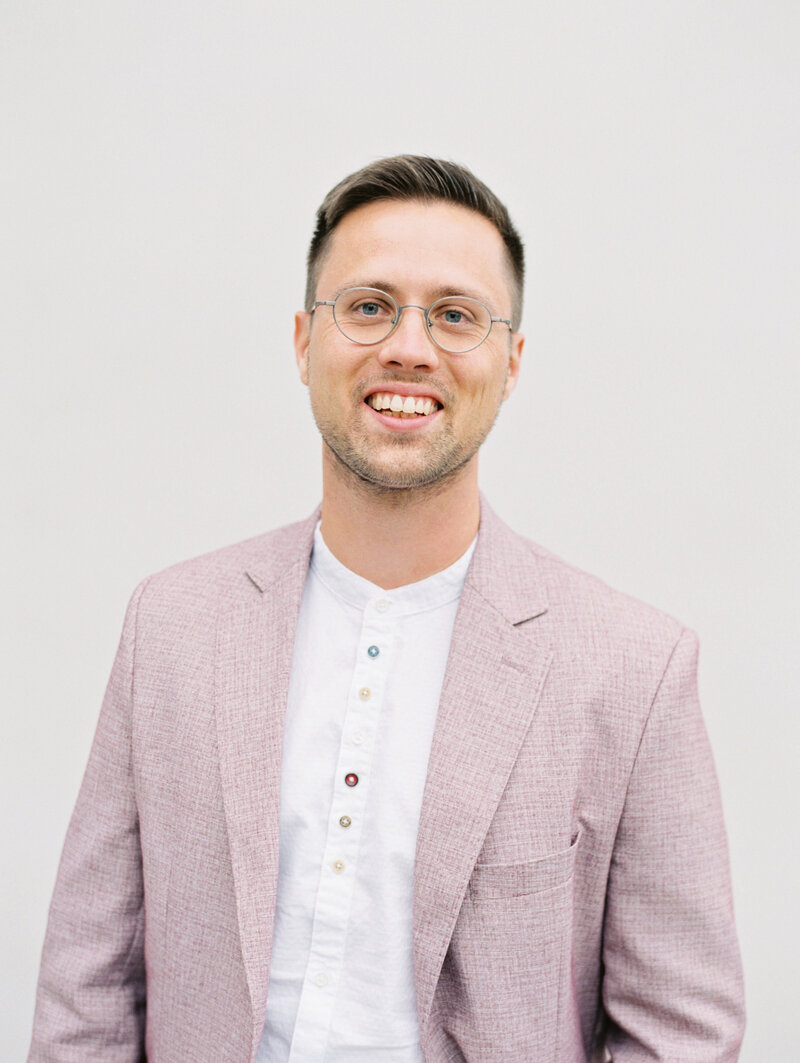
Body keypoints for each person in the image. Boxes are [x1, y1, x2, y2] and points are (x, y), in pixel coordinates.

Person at [28, 155, 745, 1063]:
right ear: (302, 341)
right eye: (369, 306)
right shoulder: (171, 628)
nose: (409, 346)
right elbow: (85, 996)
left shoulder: (633, 669)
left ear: (512, 360)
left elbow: (683, 1036)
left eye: (456, 315)